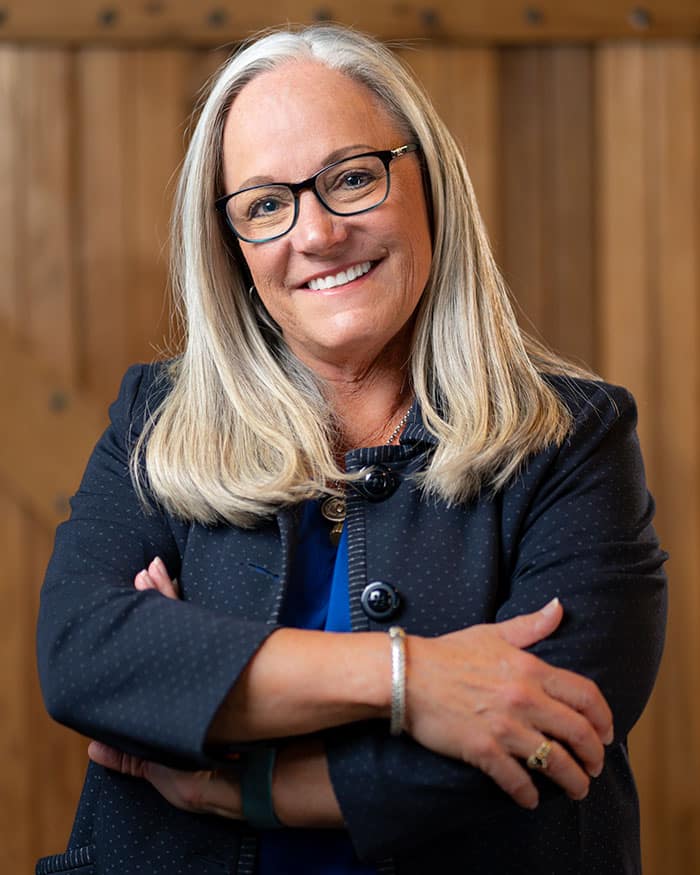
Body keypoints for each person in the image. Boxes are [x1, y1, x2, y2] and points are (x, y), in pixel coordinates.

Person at [36, 24, 667, 875]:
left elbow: (551, 738)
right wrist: (414, 679)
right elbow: (86, 655)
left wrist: (233, 770)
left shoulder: (571, 438)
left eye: (352, 178)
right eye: (266, 204)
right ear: (233, 253)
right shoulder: (155, 417)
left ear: (428, 185)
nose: (319, 233)